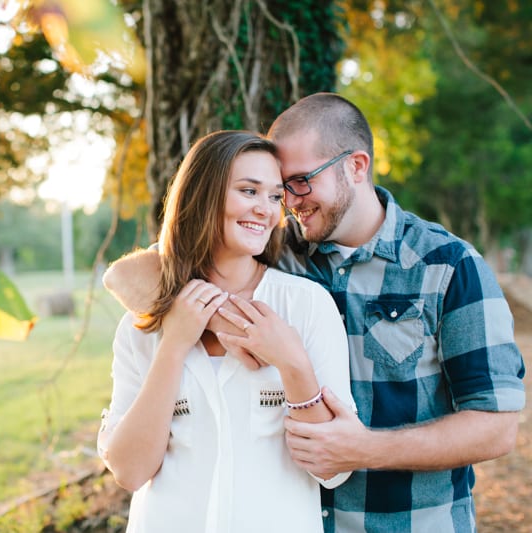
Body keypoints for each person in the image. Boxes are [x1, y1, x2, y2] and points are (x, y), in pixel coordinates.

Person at [102, 93, 526, 532]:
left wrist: (361, 448)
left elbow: (495, 427)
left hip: (406, 521)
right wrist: (215, 319)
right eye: (277, 187)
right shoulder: (277, 247)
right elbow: (130, 276)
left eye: (300, 181)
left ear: (356, 166)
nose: (287, 201)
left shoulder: (447, 265)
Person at [97, 130, 355, 533]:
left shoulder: (305, 305)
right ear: (202, 195)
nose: (266, 210)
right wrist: (175, 345)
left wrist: (292, 363)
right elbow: (130, 472)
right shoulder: (142, 323)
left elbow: (334, 470)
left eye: (274, 197)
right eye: (248, 191)